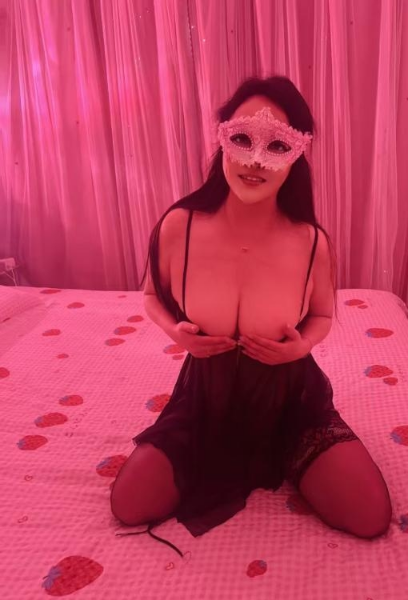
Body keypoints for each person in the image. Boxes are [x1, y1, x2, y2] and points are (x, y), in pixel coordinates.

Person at [110, 76, 392, 555]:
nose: (255, 161)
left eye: (277, 144)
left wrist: (301, 347)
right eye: (242, 138)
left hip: (289, 400)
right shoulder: (179, 226)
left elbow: (322, 316)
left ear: (298, 153)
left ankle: (286, 454)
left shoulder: (310, 242)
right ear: (222, 138)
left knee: (368, 514)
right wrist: (178, 334)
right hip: (207, 397)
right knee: (130, 504)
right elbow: (152, 296)